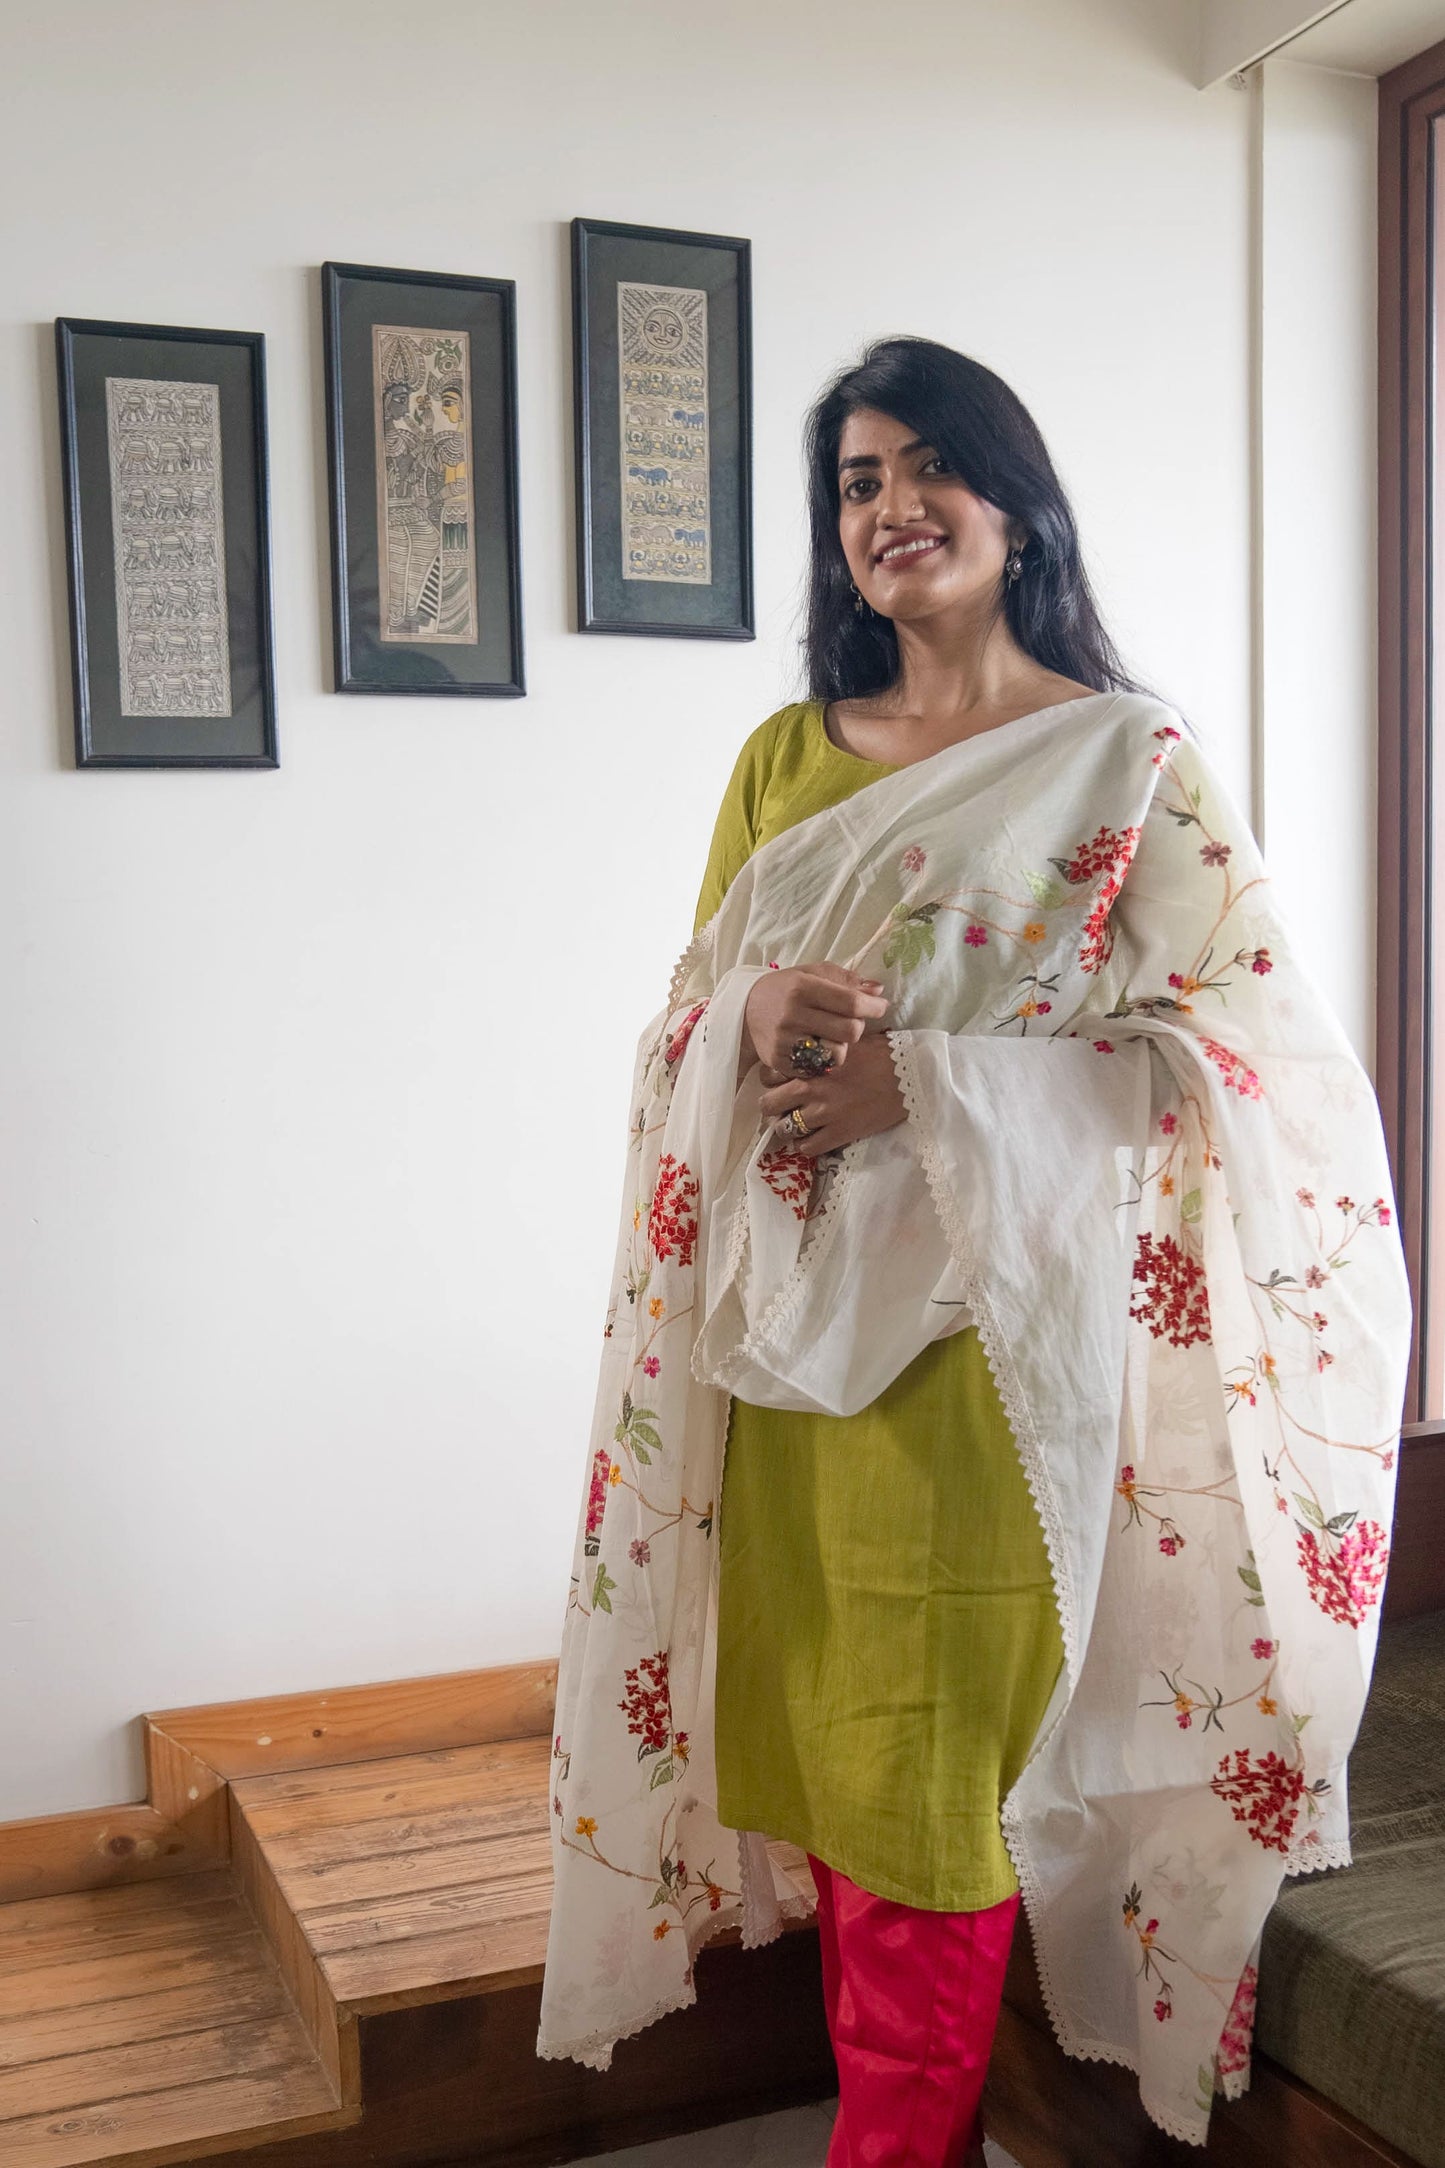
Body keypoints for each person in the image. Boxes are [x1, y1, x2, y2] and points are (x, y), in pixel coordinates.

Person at [537, 337, 1409, 2166]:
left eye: (927, 468)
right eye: (853, 482)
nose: (888, 507)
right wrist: (756, 999)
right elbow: (686, 1013)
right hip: (785, 1362)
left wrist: (921, 1091)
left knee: (933, 1778)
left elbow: (1256, 1061)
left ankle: (898, 2147)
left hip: (988, 1371)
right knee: (842, 1762)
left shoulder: (1124, 762)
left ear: (1017, 506)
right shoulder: (783, 755)